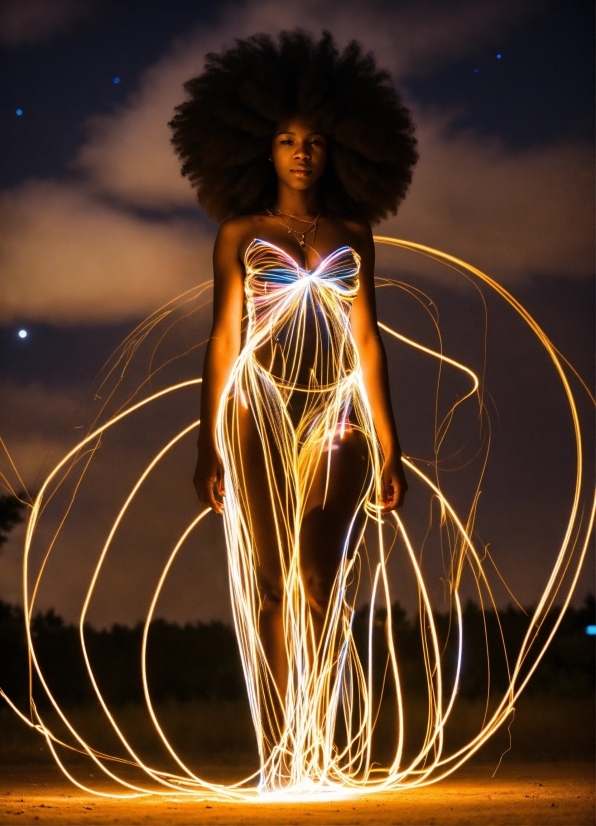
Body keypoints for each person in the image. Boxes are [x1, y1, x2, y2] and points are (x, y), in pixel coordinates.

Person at [169, 29, 418, 788]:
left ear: (341, 145)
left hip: (335, 414)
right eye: (285, 139)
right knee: (273, 584)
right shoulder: (240, 236)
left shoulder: (354, 236)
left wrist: (389, 439)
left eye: (313, 139)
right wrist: (208, 442)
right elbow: (222, 339)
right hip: (256, 411)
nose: (301, 152)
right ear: (259, 148)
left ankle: (320, 728)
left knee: (320, 576)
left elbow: (368, 339)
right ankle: (284, 750)